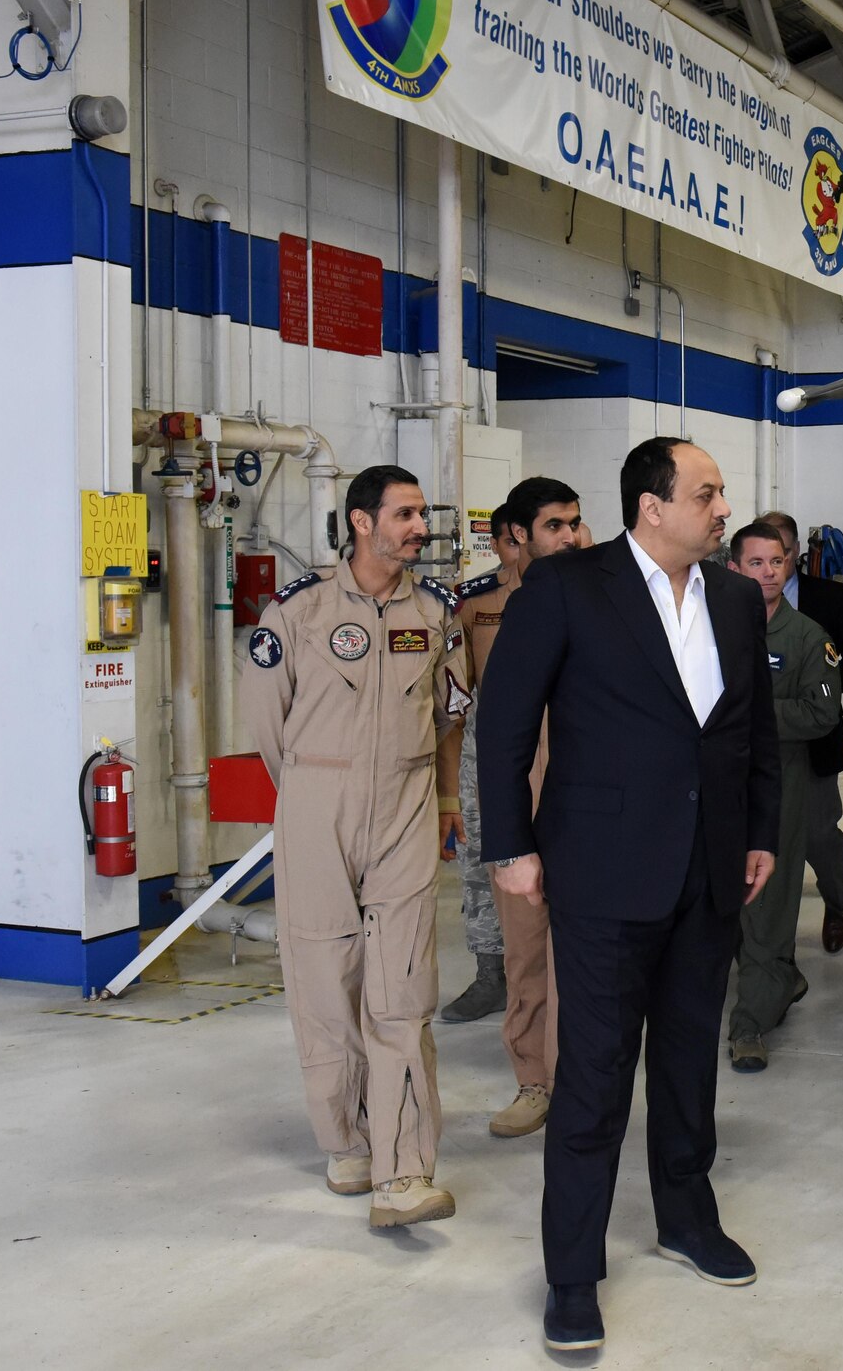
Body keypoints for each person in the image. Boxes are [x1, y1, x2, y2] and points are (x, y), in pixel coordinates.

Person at [476, 438, 779, 1353]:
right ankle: (572, 1273)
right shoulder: (567, 589)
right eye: (708, 493)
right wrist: (511, 847)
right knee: (595, 1079)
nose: (723, 509)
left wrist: (758, 831)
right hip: (604, 869)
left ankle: (686, 1218)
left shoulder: (732, 596)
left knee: (690, 1061)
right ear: (653, 507)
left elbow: (751, 728)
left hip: (710, 867)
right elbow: (504, 723)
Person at [241, 463, 471, 1229]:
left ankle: (404, 1171)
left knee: (402, 990)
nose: (420, 528)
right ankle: (346, 1141)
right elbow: (268, 724)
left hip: (404, 805)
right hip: (316, 803)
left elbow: (448, 717)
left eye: (421, 515)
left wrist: (441, 798)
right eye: (405, 515)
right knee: (322, 975)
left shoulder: (436, 612)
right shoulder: (298, 612)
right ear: (362, 522)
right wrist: (312, 793)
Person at [437, 478, 584, 1139]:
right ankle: (535, 1079)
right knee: (525, 947)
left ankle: (584, 1074)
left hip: (591, 794)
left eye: (576, 524)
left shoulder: (607, 597)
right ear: (515, 536)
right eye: (556, 525)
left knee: (589, 951)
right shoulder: (480, 605)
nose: (572, 537)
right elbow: (460, 711)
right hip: (519, 786)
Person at [725, 522, 842, 1071]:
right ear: (734, 568)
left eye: (777, 562)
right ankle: (777, 981)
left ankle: (749, 1025)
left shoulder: (807, 638)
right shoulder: (709, 631)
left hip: (781, 790)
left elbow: (821, 714)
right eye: (756, 563)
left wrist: (749, 719)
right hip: (719, 789)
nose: (768, 573)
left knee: (768, 907)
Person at [757, 511, 843, 954]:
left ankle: (836, 900)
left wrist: (819, 689)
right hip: (755, 748)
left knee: (818, 835)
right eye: (762, 556)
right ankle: (766, 942)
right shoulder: (733, 600)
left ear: (795, 554)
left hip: (813, 742)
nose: (773, 564)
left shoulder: (828, 598)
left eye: (782, 552)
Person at [441, 500, 521, 1025]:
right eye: (510, 542)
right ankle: (491, 974)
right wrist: (450, 792)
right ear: (496, 543)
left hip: (559, 745)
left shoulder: (585, 593)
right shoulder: (473, 601)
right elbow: (454, 704)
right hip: (486, 750)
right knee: (480, 863)